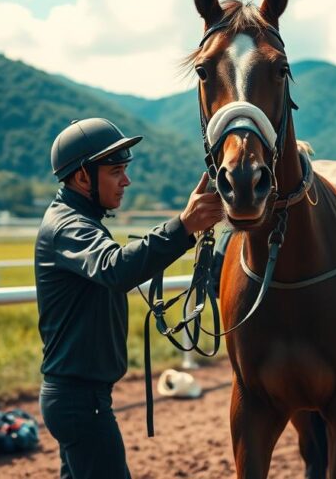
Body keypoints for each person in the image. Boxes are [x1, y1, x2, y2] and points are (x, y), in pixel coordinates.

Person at [35, 118, 222, 479]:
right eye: (116, 171)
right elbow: (116, 268)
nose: (126, 181)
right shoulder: (68, 226)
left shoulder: (78, 220)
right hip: (79, 402)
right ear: (82, 177)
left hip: (79, 399)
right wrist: (183, 225)